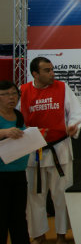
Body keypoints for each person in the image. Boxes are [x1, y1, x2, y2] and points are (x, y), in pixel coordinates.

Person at [19, 56, 81, 244]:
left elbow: (77, 111)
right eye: (47, 70)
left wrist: (73, 126)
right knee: (35, 196)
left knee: (62, 194)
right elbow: (15, 118)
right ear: (35, 73)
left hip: (59, 148)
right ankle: (38, 234)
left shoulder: (62, 88)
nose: (52, 73)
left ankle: (62, 234)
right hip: (33, 151)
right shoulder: (23, 91)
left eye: (52, 69)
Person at [0, 81, 30, 244]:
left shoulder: (18, 115)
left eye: (14, 94)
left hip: (19, 172)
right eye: (6, 94)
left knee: (18, 217)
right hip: (1, 174)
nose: (11, 98)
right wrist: (4, 132)